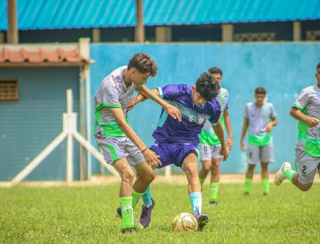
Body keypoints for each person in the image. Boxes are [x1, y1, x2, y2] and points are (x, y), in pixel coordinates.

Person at [128, 72, 230, 231]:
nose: (200, 102)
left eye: (205, 100)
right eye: (199, 97)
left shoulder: (213, 106)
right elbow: (151, 93)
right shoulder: (179, 91)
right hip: (164, 142)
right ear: (194, 88)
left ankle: (197, 215)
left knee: (192, 170)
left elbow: (217, 125)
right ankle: (144, 205)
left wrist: (223, 145)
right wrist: (135, 100)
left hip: (188, 144)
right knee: (144, 171)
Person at [94, 52, 181, 233]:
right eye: (143, 77)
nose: (145, 81)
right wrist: (144, 149)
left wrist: (166, 105)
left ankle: (139, 205)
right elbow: (121, 123)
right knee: (127, 174)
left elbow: (142, 89)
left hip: (124, 135)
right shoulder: (111, 85)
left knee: (148, 175)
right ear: (133, 71)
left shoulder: (130, 76)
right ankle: (128, 226)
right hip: (108, 134)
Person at [274, 62, 320, 191]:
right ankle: (286, 171)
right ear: (317, 75)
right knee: (304, 185)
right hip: (308, 146)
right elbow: (293, 111)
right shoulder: (308, 92)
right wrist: (307, 119)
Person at [198, 67, 233, 205]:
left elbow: (226, 114)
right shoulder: (203, 93)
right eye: (213, 78)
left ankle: (213, 199)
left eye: (218, 78)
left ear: (221, 79)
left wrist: (230, 135)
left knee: (216, 166)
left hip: (218, 136)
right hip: (204, 136)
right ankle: (197, 186)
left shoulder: (225, 93)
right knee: (206, 166)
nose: (216, 81)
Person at [240, 87, 277, 196]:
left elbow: (275, 120)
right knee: (251, 166)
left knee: (265, 166)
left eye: (262, 97)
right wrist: (241, 139)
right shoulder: (248, 107)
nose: (260, 99)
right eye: (258, 96)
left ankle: (265, 191)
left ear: (264, 97)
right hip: (253, 141)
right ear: (254, 96)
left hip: (266, 140)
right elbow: (245, 123)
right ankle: (247, 191)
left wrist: (271, 124)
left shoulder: (269, 107)